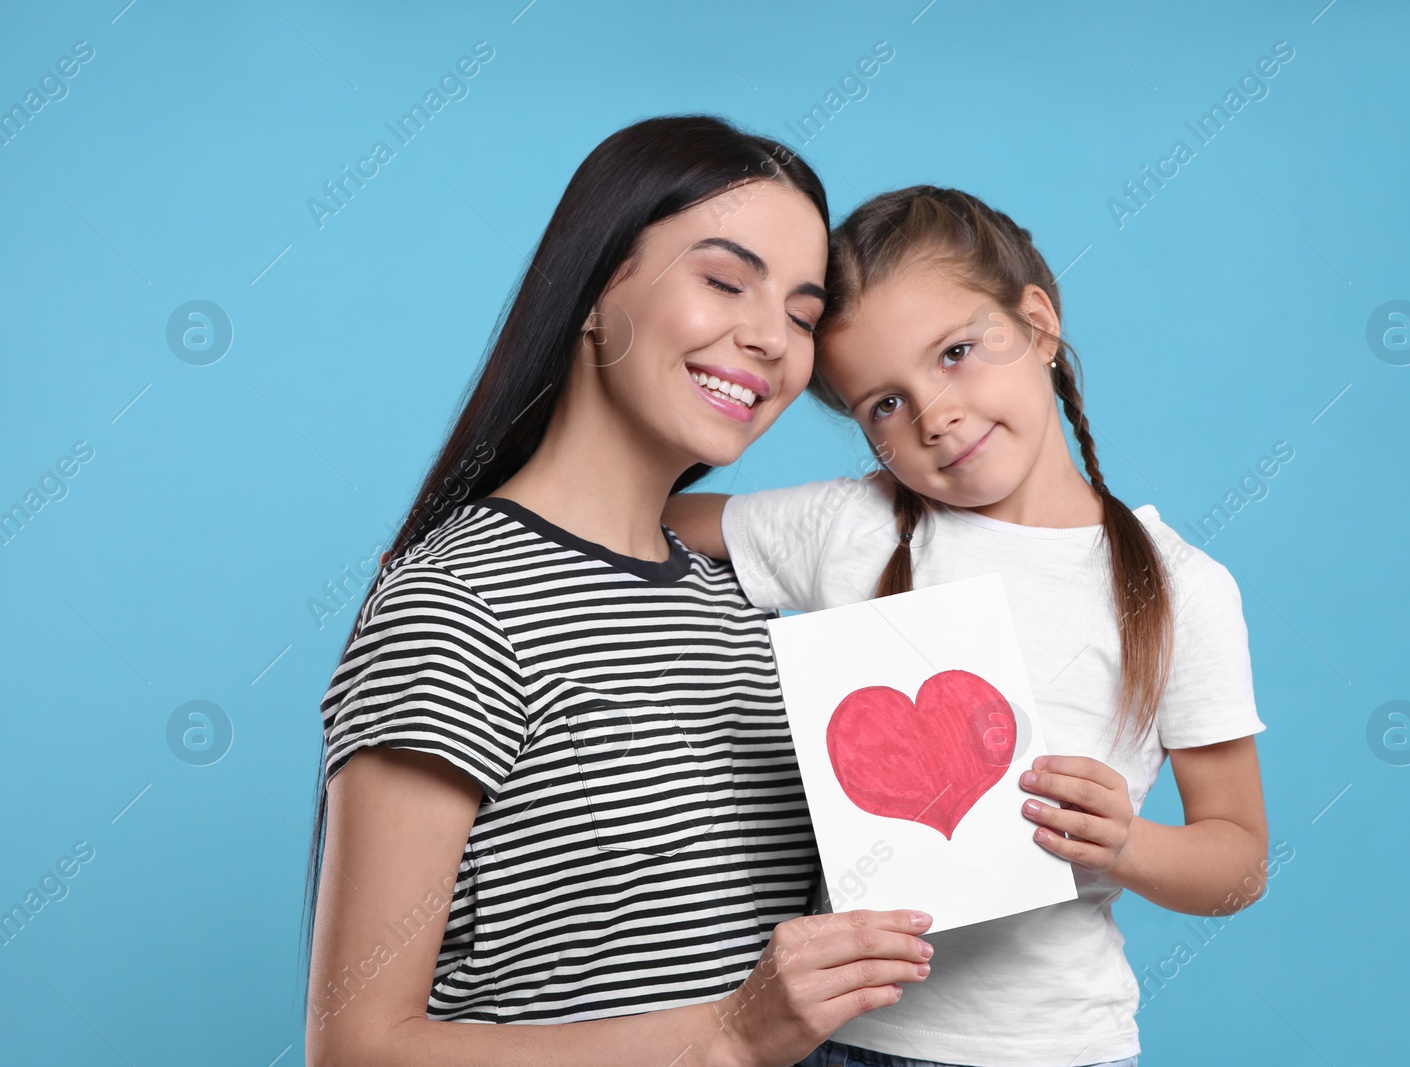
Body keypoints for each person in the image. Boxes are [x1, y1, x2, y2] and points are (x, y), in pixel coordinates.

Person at [302, 116, 936, 1067]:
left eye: (803, 317)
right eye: (724, 281)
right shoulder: (457, 605)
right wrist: (725, 1036)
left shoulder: (740, 601)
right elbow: (355, 1047)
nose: (769, 337)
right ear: (596, 292)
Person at [664, 186, 1271, 1067]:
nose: (935, 416)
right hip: (840, 1036)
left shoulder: (1182, 589)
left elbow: (1239, 863)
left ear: (1037, 324)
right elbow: (643, 518)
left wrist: (1130, 844)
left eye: (955, 352)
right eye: (885, 405)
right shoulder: (855, 525)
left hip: (1053, 1047)